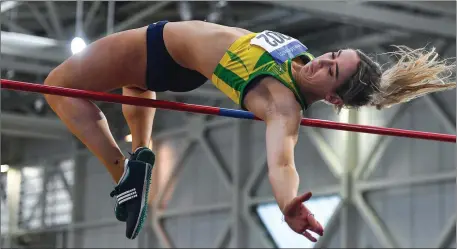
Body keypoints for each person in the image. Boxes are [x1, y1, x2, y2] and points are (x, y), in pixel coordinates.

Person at [43, 20, 455, 241]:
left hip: (159, 46)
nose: (319, 63)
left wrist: (288, 203)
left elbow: (281, 160)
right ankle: (141, 154)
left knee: (56, 88)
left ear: (333, 99)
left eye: (330, 72)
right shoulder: (302, 60)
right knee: (133, 86)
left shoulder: (282, 105)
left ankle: (124, 173)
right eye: (331, 56)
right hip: (181, 65)